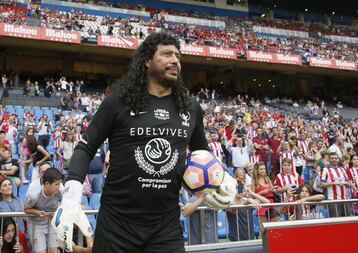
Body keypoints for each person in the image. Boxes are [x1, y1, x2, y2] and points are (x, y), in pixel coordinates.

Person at [51, 32, 237, 253]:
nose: (175, 60)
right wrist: (71, 197)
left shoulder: (190, 107)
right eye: (167, 54)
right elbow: (86, 146)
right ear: (148, 60)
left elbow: (202, 154)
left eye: (177, 55)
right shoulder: (118, 100)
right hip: (116, 224)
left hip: (166, 225)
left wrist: (219, 180)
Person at [24, 168, 63, 253]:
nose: (59, 186)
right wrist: (37, 212)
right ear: (47, 184)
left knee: (54, 251)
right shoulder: (34, 195)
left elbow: (64, 206)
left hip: (51, 224)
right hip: (36, 225)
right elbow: (25, 208)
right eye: (56, 184)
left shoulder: (59, 192)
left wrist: (57, 213)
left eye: (59, 184)